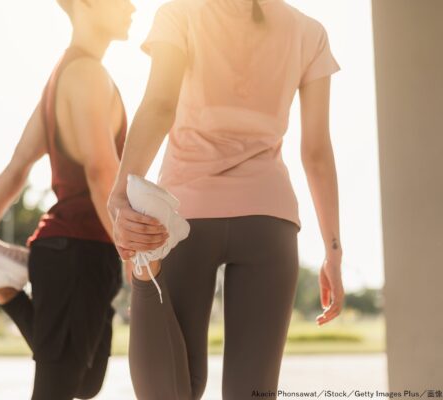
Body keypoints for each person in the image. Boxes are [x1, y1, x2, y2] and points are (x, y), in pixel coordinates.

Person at [107, 0, 346, 398]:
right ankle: (147, 274)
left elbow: (161, 104)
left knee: (177, 388)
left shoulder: (179, 14)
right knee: (251, 392)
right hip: (269, 221)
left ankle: (146, 274)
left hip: (184, 218)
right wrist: (333, 250)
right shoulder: (308, 31)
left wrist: (121, 194)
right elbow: (316, 152)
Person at [0, 0, 157, 399]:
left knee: (86, 384)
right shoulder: (87, 75)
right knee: (58, 389)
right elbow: (99, 171)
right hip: (79, 249)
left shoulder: (62, 78)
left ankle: (0, 286)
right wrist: (130, 251)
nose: (132, 6)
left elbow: (19, 165)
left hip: (76, 251)